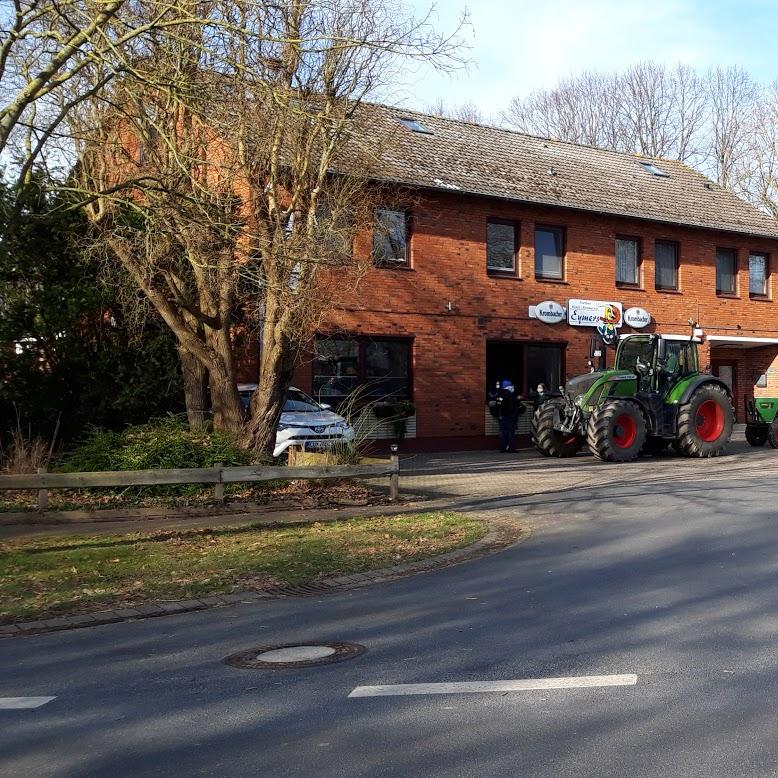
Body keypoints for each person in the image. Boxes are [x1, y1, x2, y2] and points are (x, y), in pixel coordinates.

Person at [496, 379, 520, 453]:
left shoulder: (499, 394)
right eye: (511, 386)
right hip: (510, 416)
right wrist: (517, 400)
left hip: (501, 417)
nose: (512, 387)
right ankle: (511, 448)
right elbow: (511, 406)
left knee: (502, 433)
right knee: (510, 433)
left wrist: (499, 415)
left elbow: (498, 405)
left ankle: (502, 448)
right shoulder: (509, 395)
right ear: (508, 387)